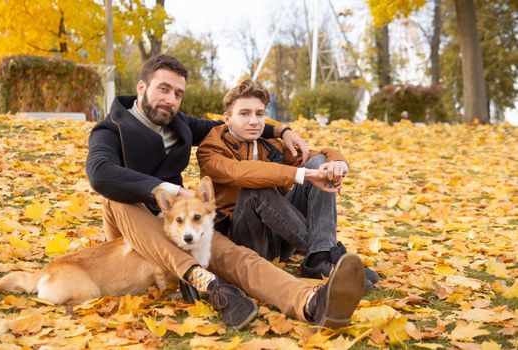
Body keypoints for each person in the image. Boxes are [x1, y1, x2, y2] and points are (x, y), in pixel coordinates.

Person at [86, 54, 365, 329]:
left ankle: (311, 303)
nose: (171, 99)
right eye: (164, 89)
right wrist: (170, 191)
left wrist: (282, 131)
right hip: (135, 225)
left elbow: (236, 124)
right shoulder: (110, 129)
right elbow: (100, 173)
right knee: (114, 197)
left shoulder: (177, 122)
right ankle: (199, 279)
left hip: (185, 225)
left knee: (239, 257)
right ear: (141, 88)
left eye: (178, 93)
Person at [197, 79, 379, 289]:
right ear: (227, 119)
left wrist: (337, 163)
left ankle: (319, 257)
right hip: (244, 241)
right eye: (244, 114)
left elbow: (316, 156)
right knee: (256, 188)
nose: (254, 121)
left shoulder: (271, 146)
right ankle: (323, 253)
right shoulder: (210, 149)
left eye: (259, 114)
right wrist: (300, 174)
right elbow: (240, 173)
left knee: (319, 164)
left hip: (280, 238)